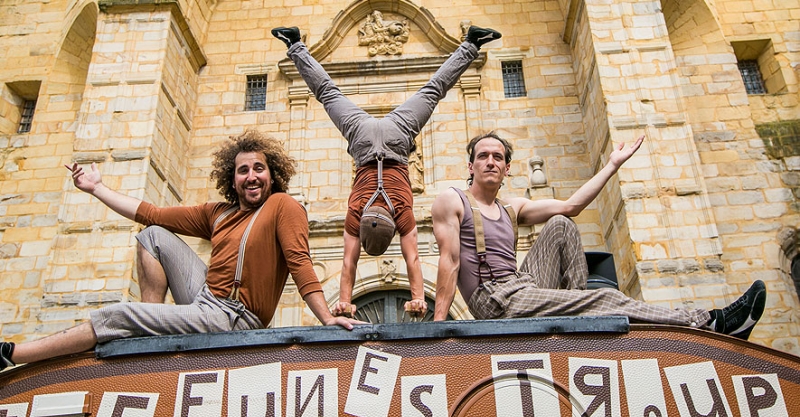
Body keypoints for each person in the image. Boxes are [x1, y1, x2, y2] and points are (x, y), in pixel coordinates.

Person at [0, 130, 361, 371]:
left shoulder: (284, 206)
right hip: (204, 298)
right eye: (242, 170)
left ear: (272, 174)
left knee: (118, 315)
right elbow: (149, 213)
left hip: (233, 318)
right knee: (154, 234)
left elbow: (300, 263)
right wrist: (97, 188)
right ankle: (150, 328)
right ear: (231, 179)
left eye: (259, 169)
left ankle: (13, 355)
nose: (251, 176)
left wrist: (326, 317)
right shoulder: (217, 213)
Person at [430, 131, 766, 340]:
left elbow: (573, 205)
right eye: (483, 156)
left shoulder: (512, 207)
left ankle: (579, 315)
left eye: (498, 157)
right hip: (495, 300)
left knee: (561, 224)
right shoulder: (453, 200)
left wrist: (612, 165)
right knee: (604, 299)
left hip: (523, 286)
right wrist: (438, 328)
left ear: (507, 169)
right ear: (471, 166)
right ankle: (707, 321)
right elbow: (449, 260)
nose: (490, 161)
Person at [271, 24, 502, 318]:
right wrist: (345, 299)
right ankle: (294, 44)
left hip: (397, 136)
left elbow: (412, 258)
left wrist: (417, 297)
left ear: (392, 230)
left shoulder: (401, 213)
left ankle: (471, 43)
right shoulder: (355, 213)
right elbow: (349, 263)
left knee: (434, 90)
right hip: (363, 136)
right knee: (327, 92)